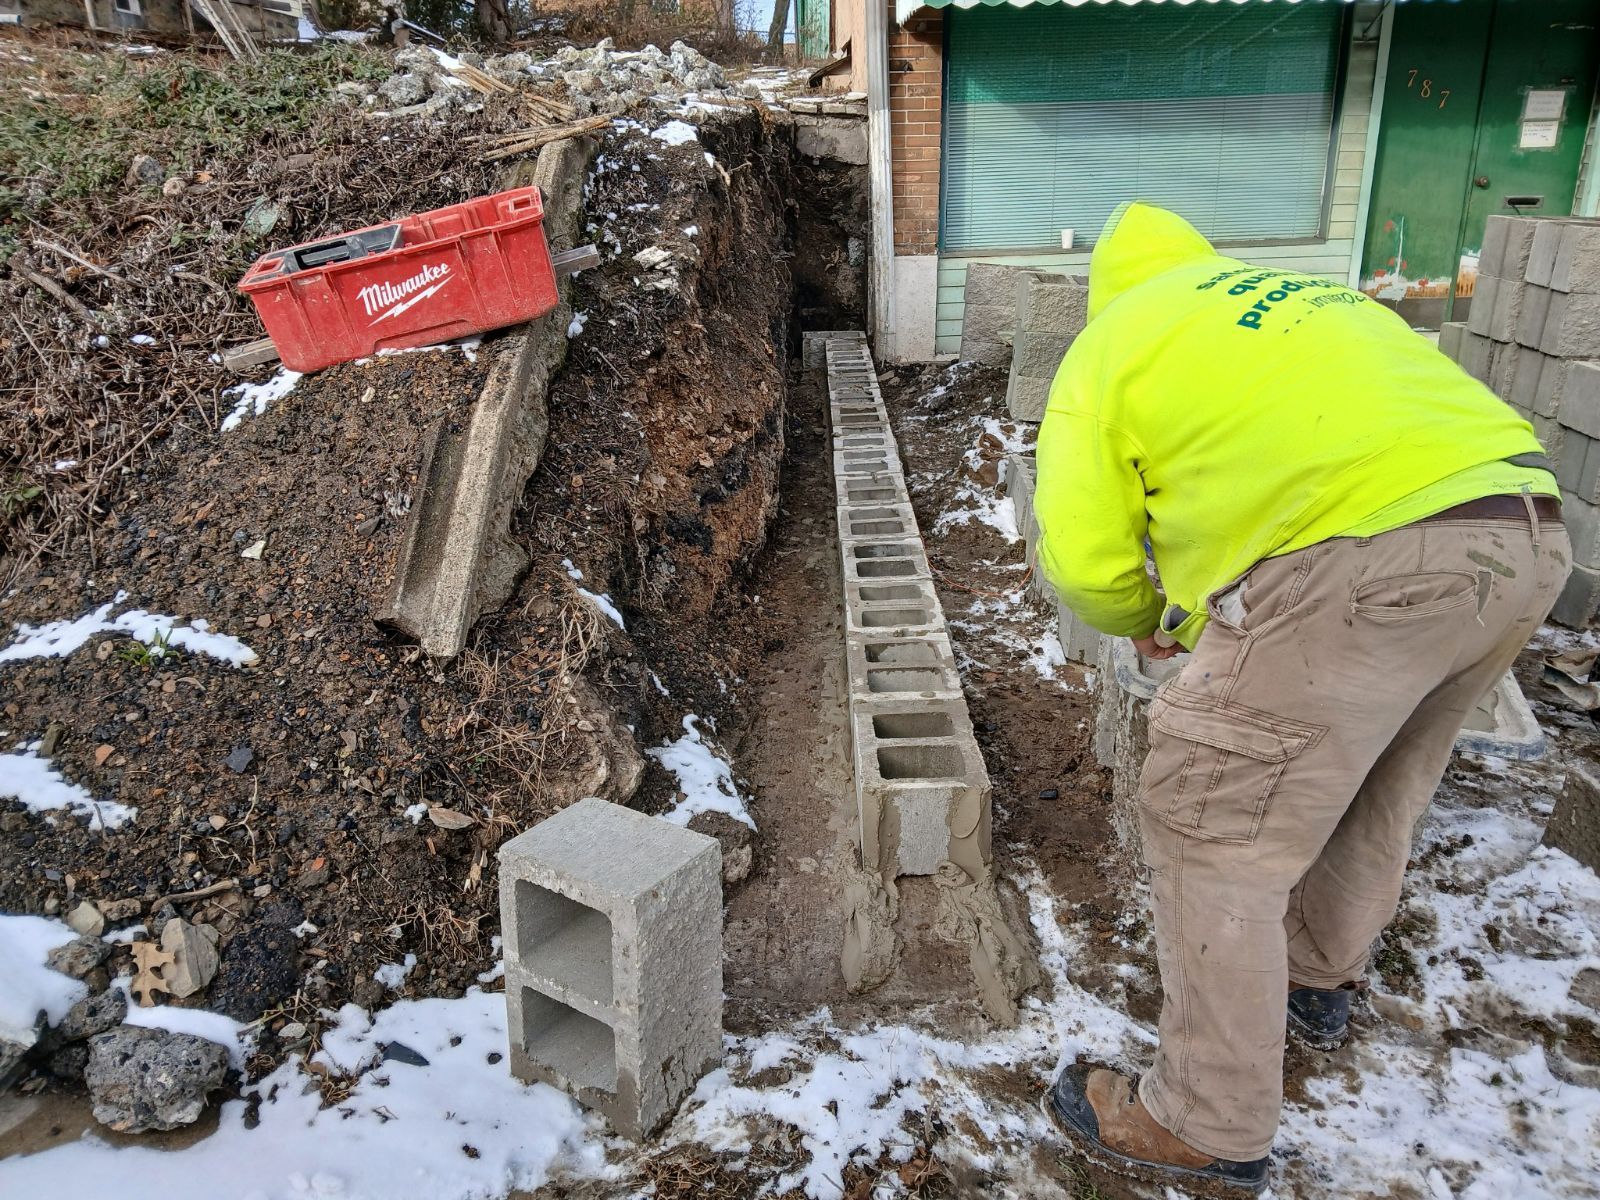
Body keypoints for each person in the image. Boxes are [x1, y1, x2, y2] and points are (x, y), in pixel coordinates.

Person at [1032, 202, 1569, 1196]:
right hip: (1523, 537)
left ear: (1107, 294)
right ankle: (1318, 980)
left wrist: (1142, 611)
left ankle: (1204, 1120)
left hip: (1370, 562)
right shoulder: (1308, 302)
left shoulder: (1115, 346)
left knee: (1213, 830)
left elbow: (1080, 557)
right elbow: (1298, 467)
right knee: (1379, 782)